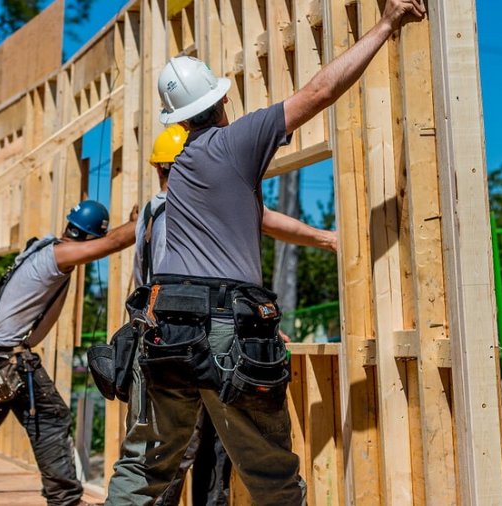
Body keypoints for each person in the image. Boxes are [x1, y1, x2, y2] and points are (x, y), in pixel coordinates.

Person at [106, 1, 424, 505]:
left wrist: (323, 237)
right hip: (223, 327)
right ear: (222, 102)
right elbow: (320, 92)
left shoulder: (186, 166)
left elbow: (260, 219)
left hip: (166, 326)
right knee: (271, 474)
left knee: (147, 466)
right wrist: (386, 25)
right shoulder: (236, 142)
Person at [127, 127, 337, 506]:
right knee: (175, 458)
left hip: (173, 344)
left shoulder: (155, 210)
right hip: (186, 343)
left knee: (188, 457)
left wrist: (328, 239)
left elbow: (266, 219)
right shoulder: (175, 213)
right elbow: (177, 291)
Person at [0, 200, 138, 506]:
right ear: (88, 237)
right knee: (52, 418)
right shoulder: (60, 254)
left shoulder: (40, 248)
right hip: (7, 358)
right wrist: (142, 220)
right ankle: (65, 499)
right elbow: (113, 243)